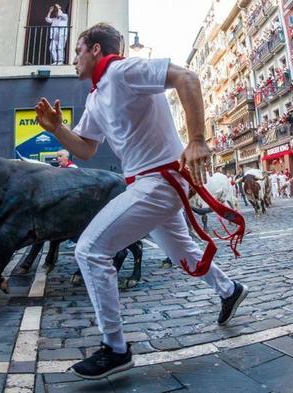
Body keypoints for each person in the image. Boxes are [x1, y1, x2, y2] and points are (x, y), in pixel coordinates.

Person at [35, 23, 247, 379]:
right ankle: (230, 289)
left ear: (96, 51)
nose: (74, 59)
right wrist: (57, 128)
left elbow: (188, 77)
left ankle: (115, 348)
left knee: (89, 250)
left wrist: (196, 139)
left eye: (78, 51)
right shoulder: (95, 96)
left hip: (158, 182)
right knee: (185, 254)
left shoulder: (122, 70)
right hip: (147, 184)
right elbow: (86, 148)